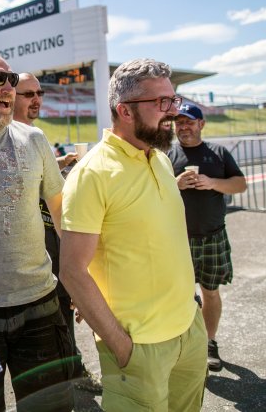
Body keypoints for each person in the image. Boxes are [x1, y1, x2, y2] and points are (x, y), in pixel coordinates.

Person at [59, 58, 208, 411]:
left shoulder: (158, 158)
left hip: (188, 327)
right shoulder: (92, 174)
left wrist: (193, 315)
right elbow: (72, 271)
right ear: (125, 111)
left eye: (173, 99)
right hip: (138, 346)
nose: (173, 111)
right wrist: (120, 345)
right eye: (162, 103)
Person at [0, 56, 74, 412]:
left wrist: (80, 283)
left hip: (39, 306)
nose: (9, 87)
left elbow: (60, 214)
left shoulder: (35, 138)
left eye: (11, 78)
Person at [13, 72, 100, 392]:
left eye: (39, 93)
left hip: (54, 239)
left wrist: (61, 162)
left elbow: (46, 188)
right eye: (27, 94)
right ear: (10, 98)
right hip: (29, 251)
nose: (36, 99)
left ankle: (74, 372)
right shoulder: (5, 137)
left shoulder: (37, 137)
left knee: (66, 307)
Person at [167, 101, 247, 372]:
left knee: (210, 293)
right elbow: (151, 190)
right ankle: (185, 345)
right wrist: (174, 184)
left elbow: (240, 184)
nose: (184, 127)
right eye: (179, 122)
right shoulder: (165, 154)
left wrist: (213, 183)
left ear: (201, 124)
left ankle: (209, 343)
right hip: (177, 238)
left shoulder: (218, 152)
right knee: (179, 297)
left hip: (213, 236)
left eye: (189, 121)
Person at [13, 73, 76, 169]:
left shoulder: (33, 130)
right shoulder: (4, 135)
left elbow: (41, 168)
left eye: (39, 93)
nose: (36, 99)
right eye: (29, 94)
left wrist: (64, 161)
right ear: (12, 97)